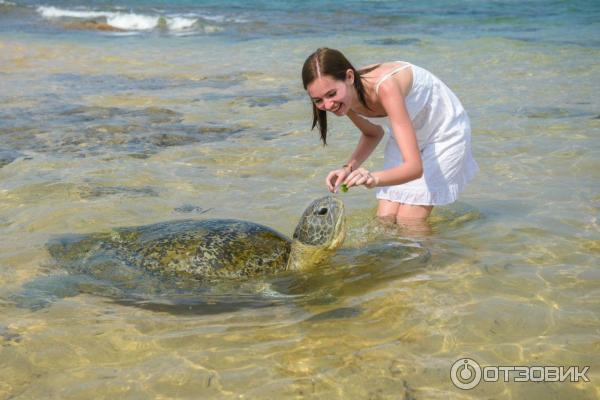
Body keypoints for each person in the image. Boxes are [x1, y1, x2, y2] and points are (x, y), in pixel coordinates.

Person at [301, 47, 478, 228]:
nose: (328, 105)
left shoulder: (385, 87)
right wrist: (348, 168)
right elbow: (372, 133)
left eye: (331, 94)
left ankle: (445, 254)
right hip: (406, 133)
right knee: (385, 220)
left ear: (349, 77)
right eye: (318, 100)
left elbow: (414, 168)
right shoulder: (345, 100)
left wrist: (373, 178)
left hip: (444, 132)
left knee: (409, 222)